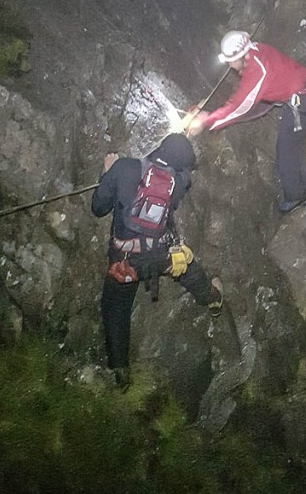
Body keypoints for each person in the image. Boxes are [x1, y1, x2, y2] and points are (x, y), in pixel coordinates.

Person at [91, 133, 222, 388]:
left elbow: (98, 208)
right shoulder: (180, 182)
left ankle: (120, 371)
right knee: (187, 266)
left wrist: (107, 173)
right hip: (162, 254)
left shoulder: (124, 168)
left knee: (115, 309)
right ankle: (213, 298)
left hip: (126, 261)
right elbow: (178, 176)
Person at [188, 30, 306, 213]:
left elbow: (239, 107)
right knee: (295, 149)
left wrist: (206, 121)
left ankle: (296, 197)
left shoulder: (257, 70)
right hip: (304, 97)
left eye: (230, 61)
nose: (230, 65)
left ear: (240, 56)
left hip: (299, 104)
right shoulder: (257, 49)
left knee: (286, 154)